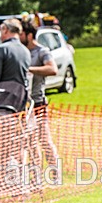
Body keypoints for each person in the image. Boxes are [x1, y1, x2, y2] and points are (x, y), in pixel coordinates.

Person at [20, 20, 60, 175]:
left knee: (44, 140)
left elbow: (52, 69)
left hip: (38, 103)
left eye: (21, 34)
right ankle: (36, 175)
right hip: (24, 105)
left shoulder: (41, 51)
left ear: (29, 35)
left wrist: (30, 69)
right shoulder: (20, 51)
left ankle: (56, 172)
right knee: (30, 142)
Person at [0, 18, 30, 94]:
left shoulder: (2, 49)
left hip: (3, 98)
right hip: (20, 96)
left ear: (5, 30)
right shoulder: (26, 50)